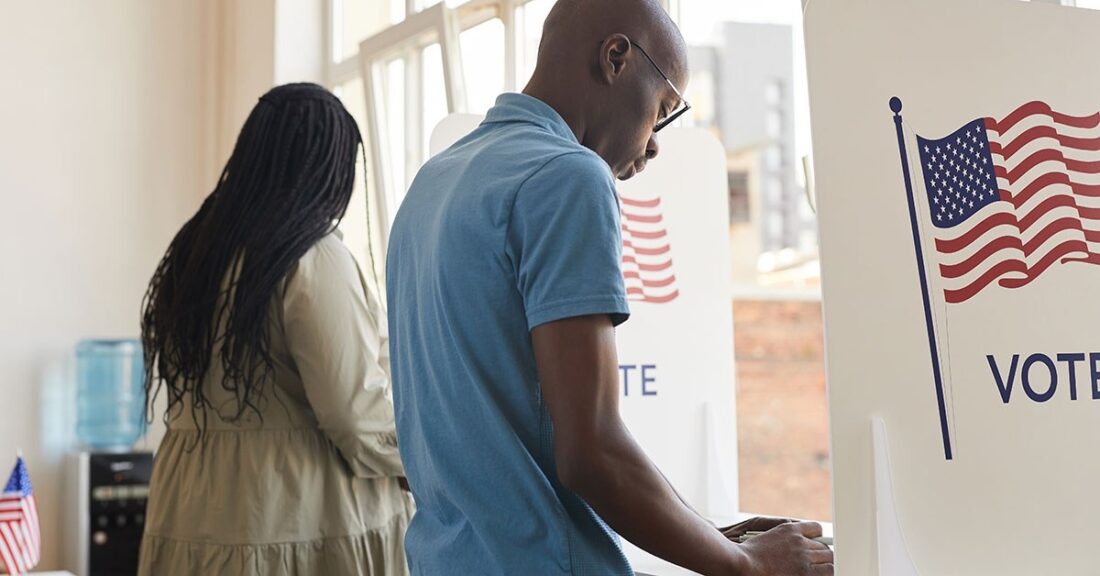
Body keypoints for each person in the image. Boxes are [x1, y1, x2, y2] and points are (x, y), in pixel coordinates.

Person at [386, 0, 834, 574]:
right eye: (663, 108)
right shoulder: (566, 175)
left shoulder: (433, 182)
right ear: (616, 57)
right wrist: (745, 565)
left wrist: (710, 534)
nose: (653, 145)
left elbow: (499, 434)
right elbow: (590, 453)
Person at [138, 83, 413, 576]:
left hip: (194, 511)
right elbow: (355, 415)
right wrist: (421, 464)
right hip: (297, 518)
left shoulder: (196, 253)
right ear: (323, 170)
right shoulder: (312, 257)